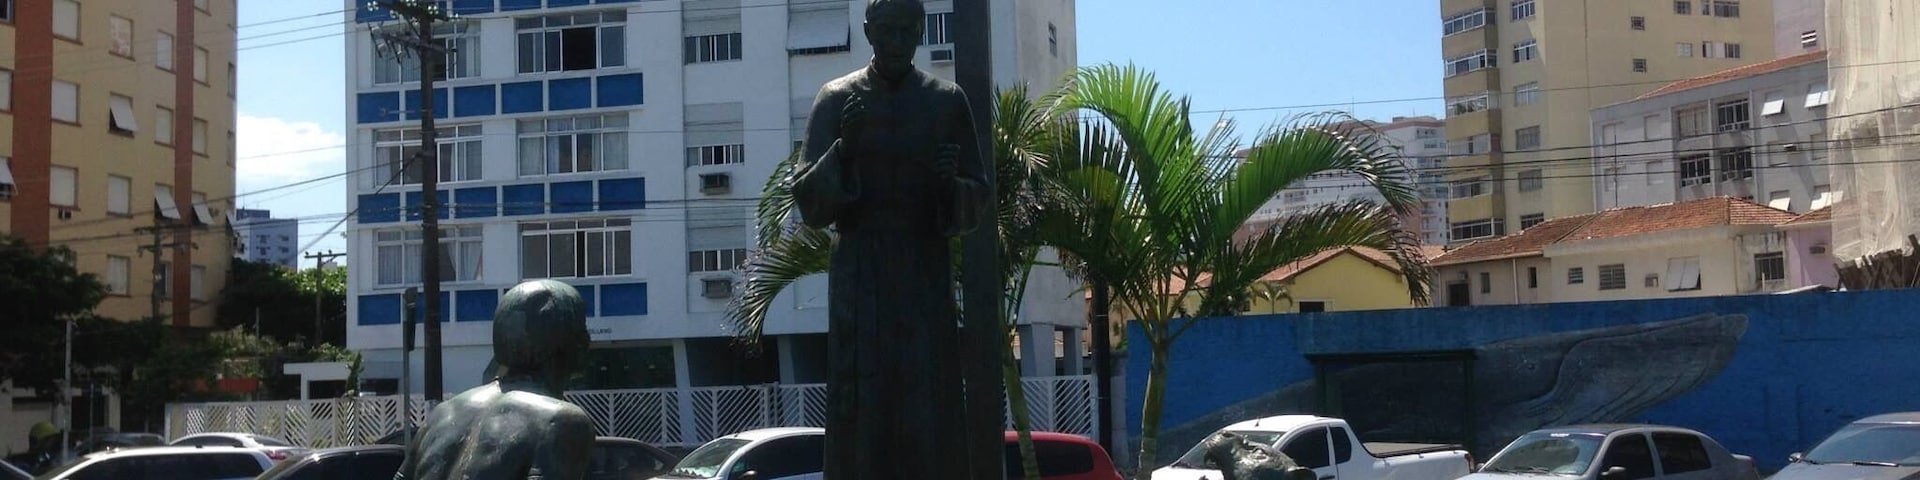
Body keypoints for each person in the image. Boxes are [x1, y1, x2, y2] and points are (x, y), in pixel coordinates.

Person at [790, 0, 992, 477]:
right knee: (861, 406)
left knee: (928, 404)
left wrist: (949, 186)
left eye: (907, 31)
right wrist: (845, 149)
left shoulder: (946, 101)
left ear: (922, 31)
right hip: (859, 277)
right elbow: (809, 203)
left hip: (923, 274)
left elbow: (976, 195)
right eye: (887, 31)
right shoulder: (836, 99)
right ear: (867, 31)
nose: (897, 41)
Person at [393, 280, 595, 480]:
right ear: (563, 340)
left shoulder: (442, 415)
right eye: (581, 328)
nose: (587, 339)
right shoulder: (562, 421)